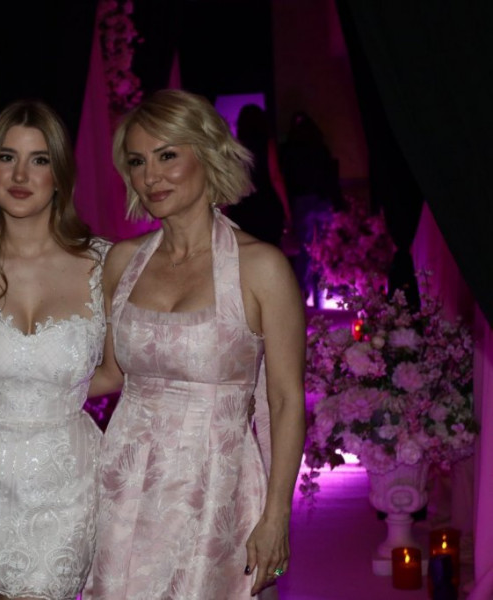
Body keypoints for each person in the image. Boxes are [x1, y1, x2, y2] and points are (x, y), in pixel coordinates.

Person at [85, 89, 305, 599]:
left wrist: (276, 515)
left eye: (167, 156)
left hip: (218, 489)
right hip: (125, 487)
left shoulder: (262, 267)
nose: (151, 176)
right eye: (137, 161)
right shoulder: (121, 262)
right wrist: (18, 391)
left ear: (206, 154)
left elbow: (285, 401)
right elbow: (111, 374)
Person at [0, 100, 109, 600]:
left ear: (60, 175)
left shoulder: (103, 264)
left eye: (39, 160)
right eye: (7, 157)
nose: (20, 175)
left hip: (65, 481)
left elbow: (123, 370)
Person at [280, 110, 340, 306]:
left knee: (304, 251)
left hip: (301, 202)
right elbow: (330, 176)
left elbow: (287, 179)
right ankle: (322, 294)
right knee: (324, 249)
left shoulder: (290, 150)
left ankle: (302, 294)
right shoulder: (319, 148)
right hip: (321, 200)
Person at [225, 104, 292, 249]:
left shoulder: (235, 148)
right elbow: (275, 177)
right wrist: (287, 210)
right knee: (270, 249)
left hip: (243, 207)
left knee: (246, 251)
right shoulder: (268, 145)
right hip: (266, 204)